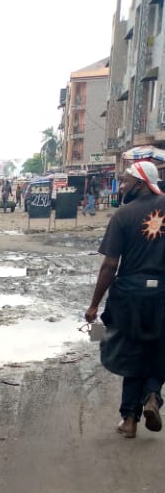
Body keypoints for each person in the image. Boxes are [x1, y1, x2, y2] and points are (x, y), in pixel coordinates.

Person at [84, 160, 165, 438]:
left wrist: (95, 304)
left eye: (127, 180)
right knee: (157, 350)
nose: (123, 185)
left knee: (133, 353)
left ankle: (129, 420)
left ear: (142, 182)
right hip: (162, 294)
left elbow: (110, 265)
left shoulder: (123, 216)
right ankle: (153, 396)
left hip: (130, 296)